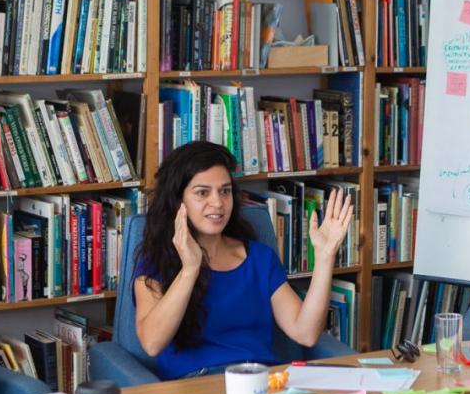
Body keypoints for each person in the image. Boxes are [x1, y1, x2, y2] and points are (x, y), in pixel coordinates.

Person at [134, 141, 353, 380]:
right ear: (178, 201)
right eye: (202, 192)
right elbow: (152, 343)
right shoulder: (155, 262)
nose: (217, 202)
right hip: (196, 382)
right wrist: (190, 268)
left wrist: (324, 257)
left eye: (225, 191)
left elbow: (306, 333)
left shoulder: (259, 258)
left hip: (261, 380)